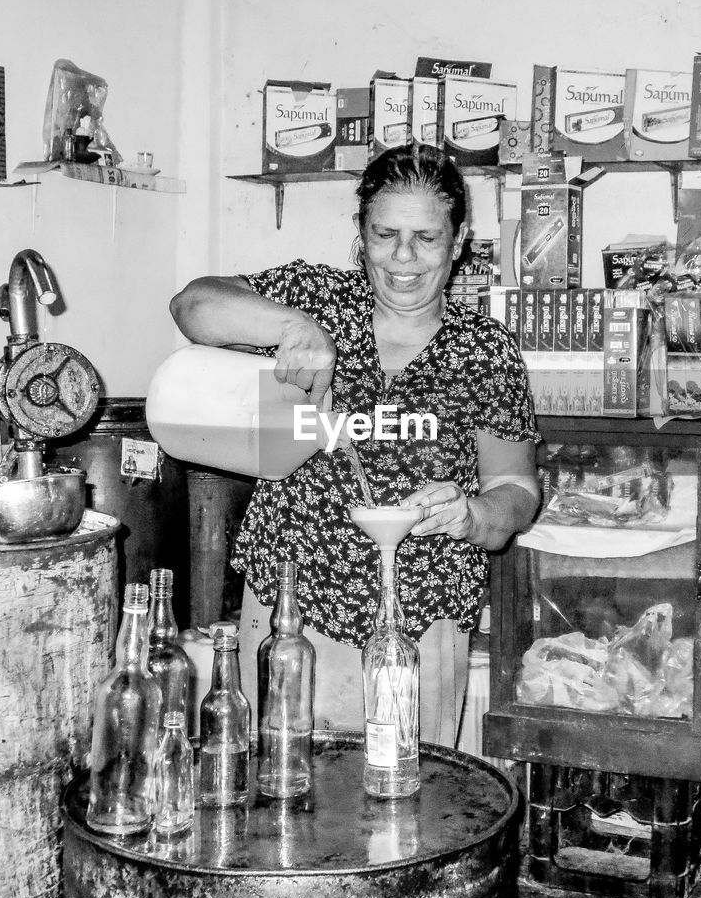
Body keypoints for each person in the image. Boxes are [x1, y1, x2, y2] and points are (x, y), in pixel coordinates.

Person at [169, 142, 540, 746]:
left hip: (420, 621)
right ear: (359, 232)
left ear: (460, 236)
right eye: (384, 233)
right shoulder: (317, 300)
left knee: (407, 815)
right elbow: (191, 305)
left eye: (425, 236)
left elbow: (516, 493)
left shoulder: (485, 350)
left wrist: (471, 513)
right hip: (290, 613)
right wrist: (292, 327)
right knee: (284, 803)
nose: (403, 257)